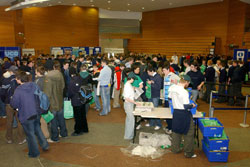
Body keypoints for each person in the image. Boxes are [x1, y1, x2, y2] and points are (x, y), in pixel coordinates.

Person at [10, 71, 49, 158]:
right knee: (38, 129)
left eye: (16, 78)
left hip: (26, 114)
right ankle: (45, 145)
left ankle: (34, 153)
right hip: (37, 112)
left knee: (30, 134)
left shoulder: (18, 90)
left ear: (19, 80)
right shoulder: (34, 85)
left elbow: (14, 104)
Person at [168, 75, 197, 158]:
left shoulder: (172, 87)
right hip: (184, 113)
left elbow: (169, 98)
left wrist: (177, 101)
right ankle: (188, 153)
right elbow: (186, 106)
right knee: (189, 132)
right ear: (186, 82)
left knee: (176, 131)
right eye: (188, 83)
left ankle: (175, 149)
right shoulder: (184, 92)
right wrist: (192, 105)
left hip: (176, 112)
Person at [0, 65, 26, 144]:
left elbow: (2, 92)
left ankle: (9, 138)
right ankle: (21, 139)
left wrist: (5, 100)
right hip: (18, 103)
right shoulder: (19, 78)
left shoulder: (5, 79)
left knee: (9, 121)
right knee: (19, 121)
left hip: (9, 103)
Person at [43, 61, 68, 142]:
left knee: (53, 121)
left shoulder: (47, 77)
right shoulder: (59, 74)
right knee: (61, 119)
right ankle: (64, 134)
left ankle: (55, 137)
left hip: (52, 102)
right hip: (60, 100)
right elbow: (63, 86)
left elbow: (47, 93)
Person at [68, 69, 89, 136]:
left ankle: (78, 130)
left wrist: (69, 97)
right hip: (82, 99)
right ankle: (85, 128)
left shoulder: (71, 82)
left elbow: (70, 93)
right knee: (83, 115)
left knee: (77, 116)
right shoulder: (80, 79)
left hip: (75, 100)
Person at [162, 63, 180, 134]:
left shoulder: (173, 75)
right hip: (166, 98)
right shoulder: (165, 76)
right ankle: (169, 126)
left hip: (171, 99)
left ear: (168, 70)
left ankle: (172, 128)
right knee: (167, 113)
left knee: (171, 114)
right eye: (163, 70)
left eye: (164, 70)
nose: (163, 72)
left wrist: (177, 83)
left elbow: (182, 82)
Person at [123, 72, 140, 140]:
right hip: (128, 104)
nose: (133, 80)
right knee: (131, 121)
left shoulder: (128, 84)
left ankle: (128, 135)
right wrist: (135, 103)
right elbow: (127, 98)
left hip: (129, 104)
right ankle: (129, 136)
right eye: (133, 79)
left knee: (129, 120)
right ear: (131, 78)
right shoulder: (127, 86)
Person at [145, 66, 163, 130]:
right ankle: (151, 123)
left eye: (148, 72)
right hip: (150, 95)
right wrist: (147, 86)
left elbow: (158, 87)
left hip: (155, 96)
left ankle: (159, 124)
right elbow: (150, 85)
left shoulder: (158, 77)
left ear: (152, 71)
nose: (148, 73)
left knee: (155, 110)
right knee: (150, 109)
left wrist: (151, 84)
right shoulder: (151, 76)